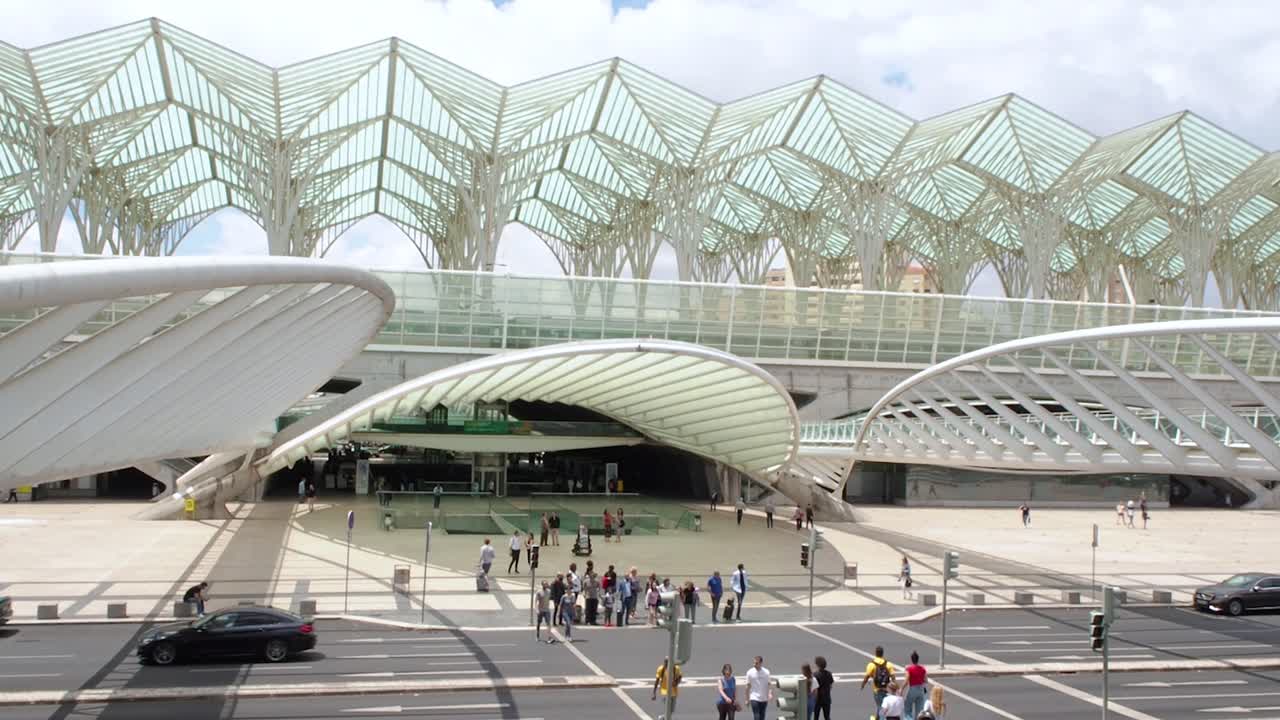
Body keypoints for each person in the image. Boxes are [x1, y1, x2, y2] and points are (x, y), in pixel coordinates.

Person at [860, 645, 896, 713]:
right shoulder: (888, 664)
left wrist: (863, 685)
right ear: (882, 653)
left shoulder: (871, 664)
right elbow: (893, 677)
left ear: (875, 653)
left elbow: (867, 677)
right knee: (883, 706)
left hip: (877, 689)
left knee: (880, 707)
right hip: (886, 689)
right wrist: (895, 688)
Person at [652, 655, 682, 720]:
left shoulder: (676, 668)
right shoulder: (661, 669)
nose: (665, 663)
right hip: (664, 691)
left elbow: (680, 677)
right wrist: (654, 693)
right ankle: (664, 718)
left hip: (674, 692)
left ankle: (662, 718)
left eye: (667, 662)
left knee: (671, 710)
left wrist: (676, 682)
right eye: (665, 661)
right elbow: (657, 681)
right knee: (668, 709)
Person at [746, 656, 772, 720]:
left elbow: (769, 684)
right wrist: (747, 699)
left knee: (762, 716)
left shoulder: (766, 672)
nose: (754, 665)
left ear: (761, 663)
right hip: (754, 697)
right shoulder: (749, 672)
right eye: (754, 663)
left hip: (764, 698)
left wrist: (770, 693)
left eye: (756, 663)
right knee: (756, 716)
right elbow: (747, 686)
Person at [903, 651, 928, 720]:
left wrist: (901, 689)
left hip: (912, 689)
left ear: (911, 659)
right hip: (920, 690)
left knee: (907, 709)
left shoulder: (909, 669)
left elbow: (906, 680)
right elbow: (926, 680)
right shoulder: (923, 669)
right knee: (919, 711)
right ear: (918, 659)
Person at [813, 655, 834, 720]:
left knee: (816, 717)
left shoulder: (815, 674)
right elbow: (830, 685)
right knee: (827, 716)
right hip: (827, 698)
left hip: (818, 699)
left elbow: (815, 689)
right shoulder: (829, 674)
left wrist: (814, 699)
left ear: (817, 665)